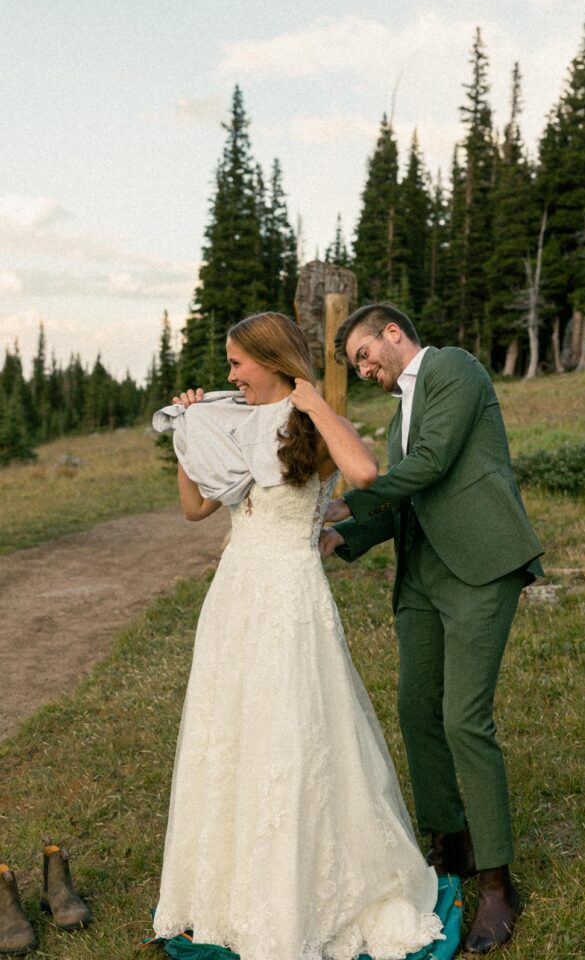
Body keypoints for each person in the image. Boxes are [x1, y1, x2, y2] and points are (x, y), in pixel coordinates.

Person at [151, 312, 443, 960]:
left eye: (238, 364)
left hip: (290, 594)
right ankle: (230, 892)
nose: (230, 376)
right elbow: (197, 508)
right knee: (231, 733)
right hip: (235, 596)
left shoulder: (311, 419)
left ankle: (305, 890)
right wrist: (187, 434)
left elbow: (364, 474)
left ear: (272, 359)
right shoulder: (230, 418)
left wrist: (309, 396)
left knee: (295, 734)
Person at [320, 303, 544, 954]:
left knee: (462, 720)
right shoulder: (397, 422)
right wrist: (338, 536)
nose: (362, 368)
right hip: (419, 575)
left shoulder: (454, 370)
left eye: (365, 353)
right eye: (353, 364)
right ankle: (452, 847)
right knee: (416, 709)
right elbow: (402, 497)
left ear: (394, 334)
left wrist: (345, 498)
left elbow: (435, 465)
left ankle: (499, 884)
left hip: (478, 565)